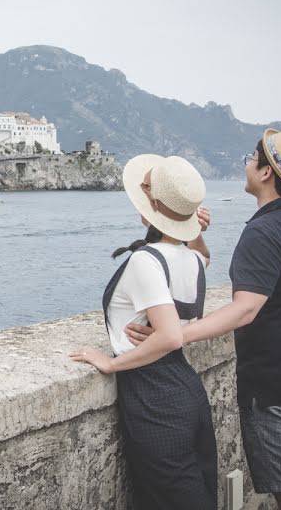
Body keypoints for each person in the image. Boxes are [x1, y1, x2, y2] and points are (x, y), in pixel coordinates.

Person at [126, 126, 281, 510]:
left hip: (278, 388)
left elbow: (245, 309)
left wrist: (176, 334)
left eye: (252, 159)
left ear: (266, 172)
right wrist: (192, 233)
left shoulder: (264, 232)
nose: (247, 165)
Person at [71, 154, 216, 510]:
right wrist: (193, 232)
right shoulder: (192, 258)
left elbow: (169, 336)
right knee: (198, 495)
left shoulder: (145, 260)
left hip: (153, 396)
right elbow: (203, 256)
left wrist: (111, 364)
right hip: (186, 387)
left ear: (152, 207)